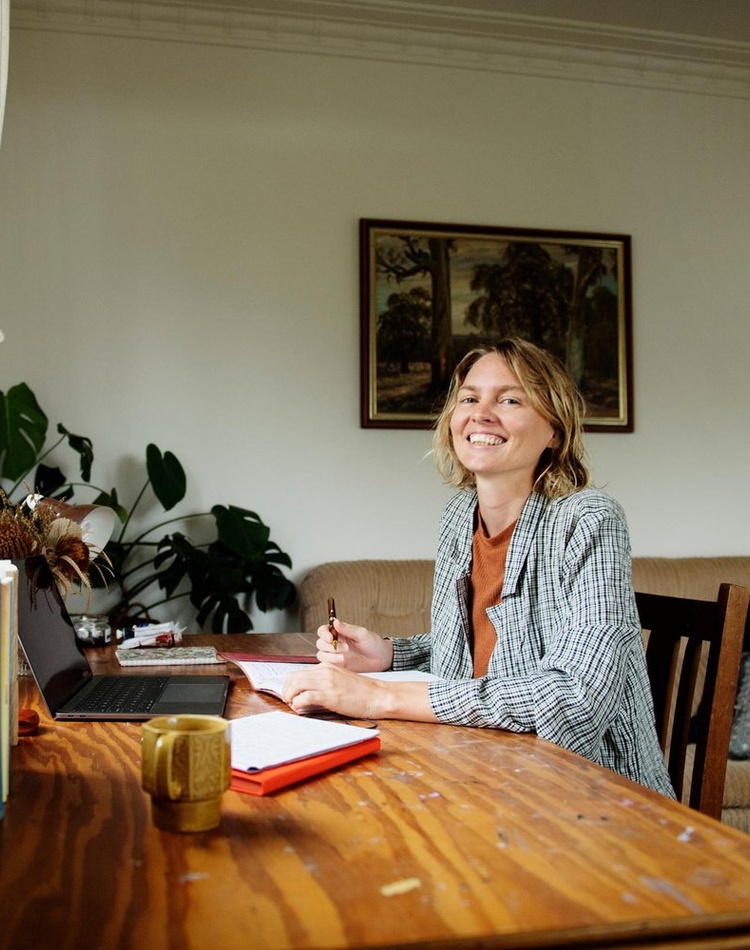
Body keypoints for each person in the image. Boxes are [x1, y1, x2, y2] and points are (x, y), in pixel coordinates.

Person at [283, 338, 675, 797]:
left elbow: (577, 699)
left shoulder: (589, 519)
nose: (481, 414)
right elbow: (483, 651)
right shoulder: (458, 517)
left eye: (509, 399)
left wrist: (381, 696)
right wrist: (388, 656)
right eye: (470, 398)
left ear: (555, 430)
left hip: (591, 795)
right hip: (482, 767)